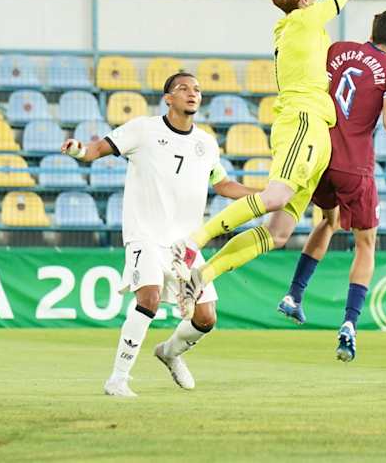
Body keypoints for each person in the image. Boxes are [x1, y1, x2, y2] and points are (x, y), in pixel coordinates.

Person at [169, 0, 376, 317]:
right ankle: (192, 243)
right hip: (303, 119)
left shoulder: (296, 24)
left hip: (316, 126)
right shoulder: (302, 21)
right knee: (277, 195)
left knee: (279, 231)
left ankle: (201, 275)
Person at [61, 72, 255, 397]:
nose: (192, 94)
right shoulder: (143, 129)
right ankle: (118, 378)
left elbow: (222, 185)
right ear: (168, 97)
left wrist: (265, 196)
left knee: (206, 318)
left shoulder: (205, 143)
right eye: (183, 88)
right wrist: (79, 151)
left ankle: (169, 353)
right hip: (146, 235)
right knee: (148, 298)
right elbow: (97, 149)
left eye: (197, 89)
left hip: (186, 245)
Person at [276, 9, 386, 362]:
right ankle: (350, 324)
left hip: (320, 155)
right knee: (366, 244)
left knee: (328, 220)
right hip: (355, 164)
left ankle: (294, 295)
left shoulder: (337, 50)